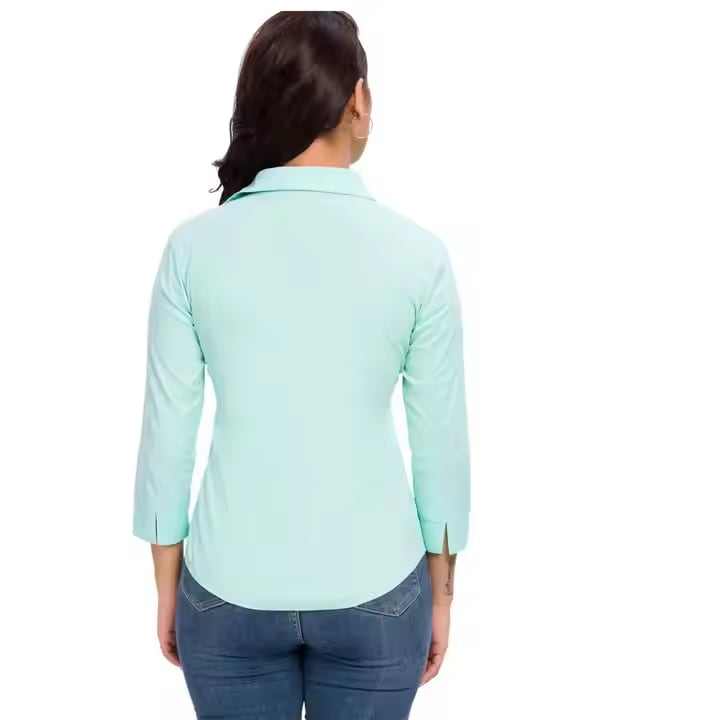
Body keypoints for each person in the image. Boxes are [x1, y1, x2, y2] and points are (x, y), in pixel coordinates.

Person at [132, 11, 471, 719]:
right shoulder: (418, 256)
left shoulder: (192, 250)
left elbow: (167, 440)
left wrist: (166, 586)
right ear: (359, 101)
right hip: (378, 591)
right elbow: (440, 447)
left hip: (225, 590)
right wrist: (442, 596)